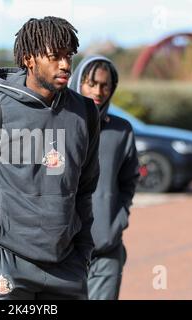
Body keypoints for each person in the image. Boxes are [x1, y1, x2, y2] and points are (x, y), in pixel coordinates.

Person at [0, 16, 100, 300]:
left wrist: (84, 253)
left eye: (69, 56)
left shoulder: (85, 113)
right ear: (29, 59)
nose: (65, 65)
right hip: (10, 268)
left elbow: (86, 188)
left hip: (69, 268)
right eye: (54, 57)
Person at [69, 56, 140, 299]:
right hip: (63, 254)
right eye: (92, 83)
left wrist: (117, 220)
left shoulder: (122, 131)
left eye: (105, 85)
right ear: (78, 83)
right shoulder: (57, 126)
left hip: (106, 249)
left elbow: (129, 181)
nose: (98, 90)